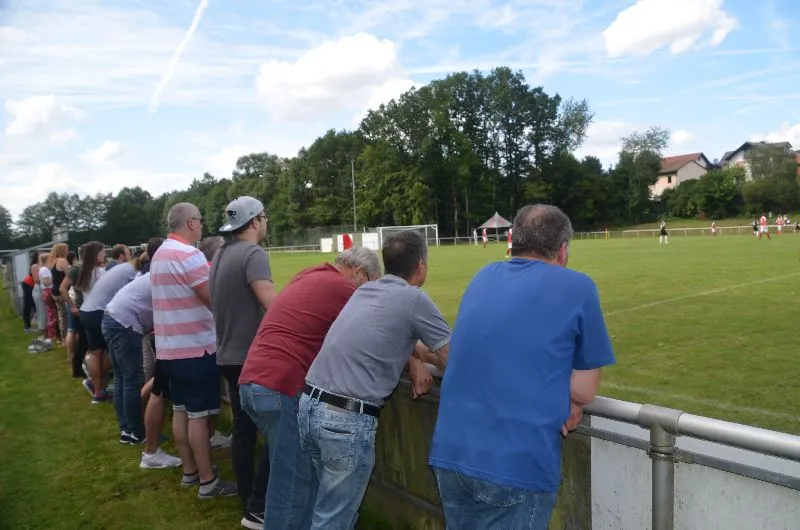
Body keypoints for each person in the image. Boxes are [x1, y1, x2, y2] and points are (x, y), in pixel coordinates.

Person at [429, 204, 616, 530]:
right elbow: (584, 390)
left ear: (514, 240)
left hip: (451, 454)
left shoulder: (483, 276)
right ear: (563, 250)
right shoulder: (578, 286)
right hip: (515, 464)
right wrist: (567, 398)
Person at [298, 230, 449, 529]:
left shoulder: (365, 291)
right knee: (333, 520)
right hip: (344, 420)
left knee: (327, 509)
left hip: (309, 406)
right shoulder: (414, 299)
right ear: (421, 266)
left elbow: (383, 337)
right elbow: (453, 358)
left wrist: (416, 358)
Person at [239, 246, 381, 529]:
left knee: (300, 474)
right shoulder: (345, 289)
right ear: (359, 273)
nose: (370, 293)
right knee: (292, 482)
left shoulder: (310, 275)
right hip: (280, 385)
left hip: (254, 381)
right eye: (372, 285)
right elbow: (381, 332)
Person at [150, 202, 237, 498]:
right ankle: (208, 481)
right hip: (195, 349)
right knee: (199, 416)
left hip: (169, 349)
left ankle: (190, 471)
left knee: (181, 410)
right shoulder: (189, 254)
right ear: (190, 223)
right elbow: (213, 299)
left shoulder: (160, 253)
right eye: (199, 220)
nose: (202, 225)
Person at [209, 197, 275, 529]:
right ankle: (259, 505)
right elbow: (272, 305)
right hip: (251, 357)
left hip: (227, 354)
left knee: (243, 431)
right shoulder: (253, 254)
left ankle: (248, 500)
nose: (266, 221)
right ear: (254, 222)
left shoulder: (221, 254)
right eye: (264, 216)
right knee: (278, 428)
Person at [102, 238, 164, 445]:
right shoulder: (161, 276)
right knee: (131, 379)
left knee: (121, 378)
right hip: (125, 324)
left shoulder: (150, 274)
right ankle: (137, 431)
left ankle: (127, 429)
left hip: (113, 318)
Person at [80, 242, 137, 404]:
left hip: (86, 310)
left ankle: (98, 390)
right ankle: (96, 383)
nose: (105, 254)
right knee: (113, 352)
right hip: (98, 312)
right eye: (102, 252)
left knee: (95, 353)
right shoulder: (101, 272)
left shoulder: (87, 271)